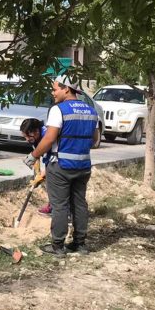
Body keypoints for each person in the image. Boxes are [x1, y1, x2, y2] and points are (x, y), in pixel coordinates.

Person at [24, 75, 99, 257]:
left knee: (60, 206)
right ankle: (80, 244)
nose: (53, 92)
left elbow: (49, 138)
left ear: (66, 89)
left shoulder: (59, 110)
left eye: (55, 89)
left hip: (61, 167)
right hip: (83, 165)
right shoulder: (91, 110)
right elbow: (95, 140)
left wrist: (33, 156)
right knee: (79, 204)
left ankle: (58, 246)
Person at [20, 118, 51, 216]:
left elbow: (51, 158)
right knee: (50, 184)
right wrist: (37, 172)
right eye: (25, 137)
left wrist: (44, 174)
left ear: (36, 131)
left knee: (54, 184)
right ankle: (52, 205)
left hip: (58, 162)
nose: (27, 139)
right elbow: (37, 154)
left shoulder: (47, 136)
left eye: (28, 136)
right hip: (49, 161)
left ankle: (57, 209)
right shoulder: (34, 138)